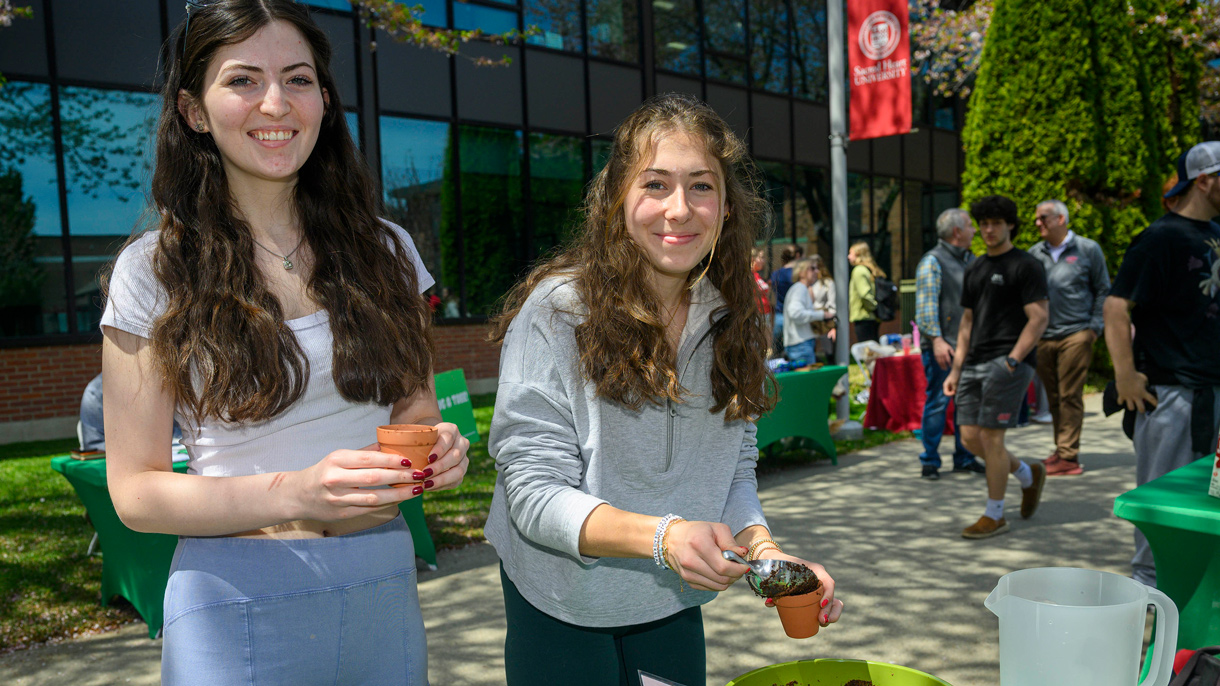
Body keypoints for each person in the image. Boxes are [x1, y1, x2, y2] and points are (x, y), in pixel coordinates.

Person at [100, 2, 470, 683]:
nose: (276, 103)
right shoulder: (152, 272)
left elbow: (414, 415)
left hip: (383, 582)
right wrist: (295, 492)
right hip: (230, 600)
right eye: (243, 80)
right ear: (194, 110)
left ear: (324, 101)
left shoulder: (388, 252)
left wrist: (438, 449)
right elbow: (135, 493)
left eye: (298, 79)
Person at [485, 93, 843, 686]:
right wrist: (663, 537)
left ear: (726, 208)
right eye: (655, 184)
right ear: (617, 201)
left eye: (701, 186)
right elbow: (532, 493)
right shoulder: (556, 311)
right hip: (560, 603)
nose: (679, 209)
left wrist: (767, 554)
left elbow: (731, 471)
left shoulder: (733, 319)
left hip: (670, 604)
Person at [1105, 140, 1220, 587]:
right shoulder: (1160, 238)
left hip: (1213, 395)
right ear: (1205, 180)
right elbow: (1116, 307)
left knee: (1208, 515)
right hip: (1174, 399)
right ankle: (1155, 640)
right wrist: (1125, 375)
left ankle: (1197, 641)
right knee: (1162, 521)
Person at [944, 195, 1049, 539]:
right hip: (972, 362)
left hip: (1008, 363)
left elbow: (1039, 318)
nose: (989, 230)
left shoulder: (1026, 265)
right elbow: (967, 322)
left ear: (1010, 225)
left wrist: (1013, 360)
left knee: (991, 436)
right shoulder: (975, 267)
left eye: (996, 223)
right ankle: (1027, 475)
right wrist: (956, 370)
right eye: (984, 224)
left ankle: (995, 514)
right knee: (971, 437)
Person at [1029, 199, 1111, 476]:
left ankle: (1068, 455)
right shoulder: (1034, 254)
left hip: (1076, 334)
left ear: (1061, 219)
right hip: (1043, 337)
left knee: (1070, 395)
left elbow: (1103, 289)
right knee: (1053, 398)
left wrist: (1093, 328)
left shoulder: (1088, 249)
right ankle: (1061, 448)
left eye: (1043, 218)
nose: (1037, 223)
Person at [913, 208, 982, 480]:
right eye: (970, 226)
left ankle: (964, 457)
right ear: (957, 232)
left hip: (968, 346)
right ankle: (930, 461)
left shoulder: (971, 260)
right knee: (938, 403)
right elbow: (926, 308)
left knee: (967, 405)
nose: (975, 231)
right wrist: (938, 341)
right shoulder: (933, 261)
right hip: (944, 347)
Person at [783, 258, 835, 366]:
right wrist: (822, 315)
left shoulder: (801, 288)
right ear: (801, 272)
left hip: (800, 344)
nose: (817, 271)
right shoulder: (800, 288)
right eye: (812, 268)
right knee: (805, 382)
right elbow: (796, 314)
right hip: (800, 346)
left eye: (817, 268)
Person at [848, 241, 883, 342]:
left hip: (864, 318)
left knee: (867, 352)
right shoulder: (867, 269)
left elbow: (864, 295)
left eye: (851, 253)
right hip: (870, 318)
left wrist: (874, 307)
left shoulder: (859, 270)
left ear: (858, 254)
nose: (848, 256)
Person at [770, 243, 803, 350]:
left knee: (777, 350)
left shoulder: (775, 274)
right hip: (795, 315)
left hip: (780, 315)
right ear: (797, 256)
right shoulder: (798, 275)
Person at [808, 254, 837, 361]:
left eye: (815, 268)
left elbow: (832, 306)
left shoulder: (828, 283)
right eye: (811, 268)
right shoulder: (806, 284)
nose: (814, 271)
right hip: (810, 321)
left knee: (829, 353)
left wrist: (833, 326)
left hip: (825, 322)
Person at [750, 247, 772, 318]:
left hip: (764, 313)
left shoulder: (756, 274)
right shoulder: (748, 276)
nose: (764, 261)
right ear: (753, 259)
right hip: (756, 315)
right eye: (761, 257)